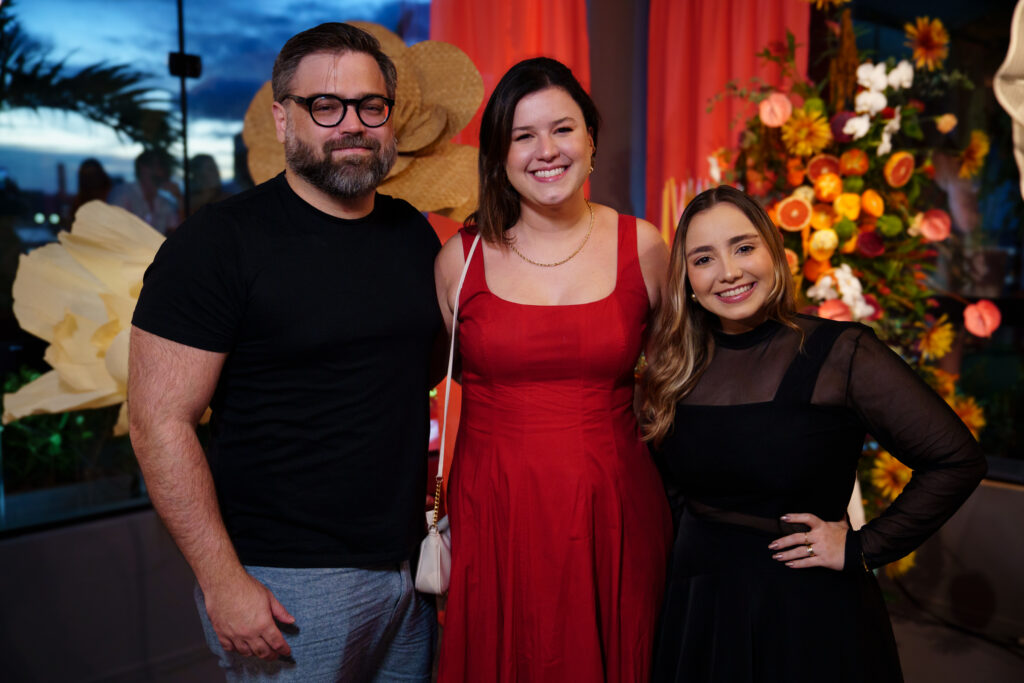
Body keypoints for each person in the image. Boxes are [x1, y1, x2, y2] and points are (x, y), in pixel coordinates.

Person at [128, 23, 441, 682]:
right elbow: (159, 420)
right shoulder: (218, 244)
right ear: (282, 117)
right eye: (325, 106)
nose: (351, 124)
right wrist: (221, 580)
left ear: (389, 117)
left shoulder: (413, 234)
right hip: (287, 586)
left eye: (370, 105)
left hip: (413, 573)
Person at [642, 185, 987, 682]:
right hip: (699, 609)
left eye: (744, 247)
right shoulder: (676, 366)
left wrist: (864, 547)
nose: (729, 271)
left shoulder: (840, 353)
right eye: (704, 258)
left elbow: (957, 460)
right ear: (688, 279)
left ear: (774, 254)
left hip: (805, 611)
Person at [433, 57, 672, 682]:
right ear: (499, 154)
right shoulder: (458, 261)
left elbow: (686, 377)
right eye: (523, 135)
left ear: (591, 140)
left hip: (614, 510)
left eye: (562, 129)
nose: (547, 150)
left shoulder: (644, 246)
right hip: (497, 512)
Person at [110, 148, 182, 234]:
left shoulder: (164, 203)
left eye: (164, 167)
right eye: (159, 166)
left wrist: (179, 197)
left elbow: (178, 232)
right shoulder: (123, 194)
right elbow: (114, 231)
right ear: (143, 168)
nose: (162, 172)